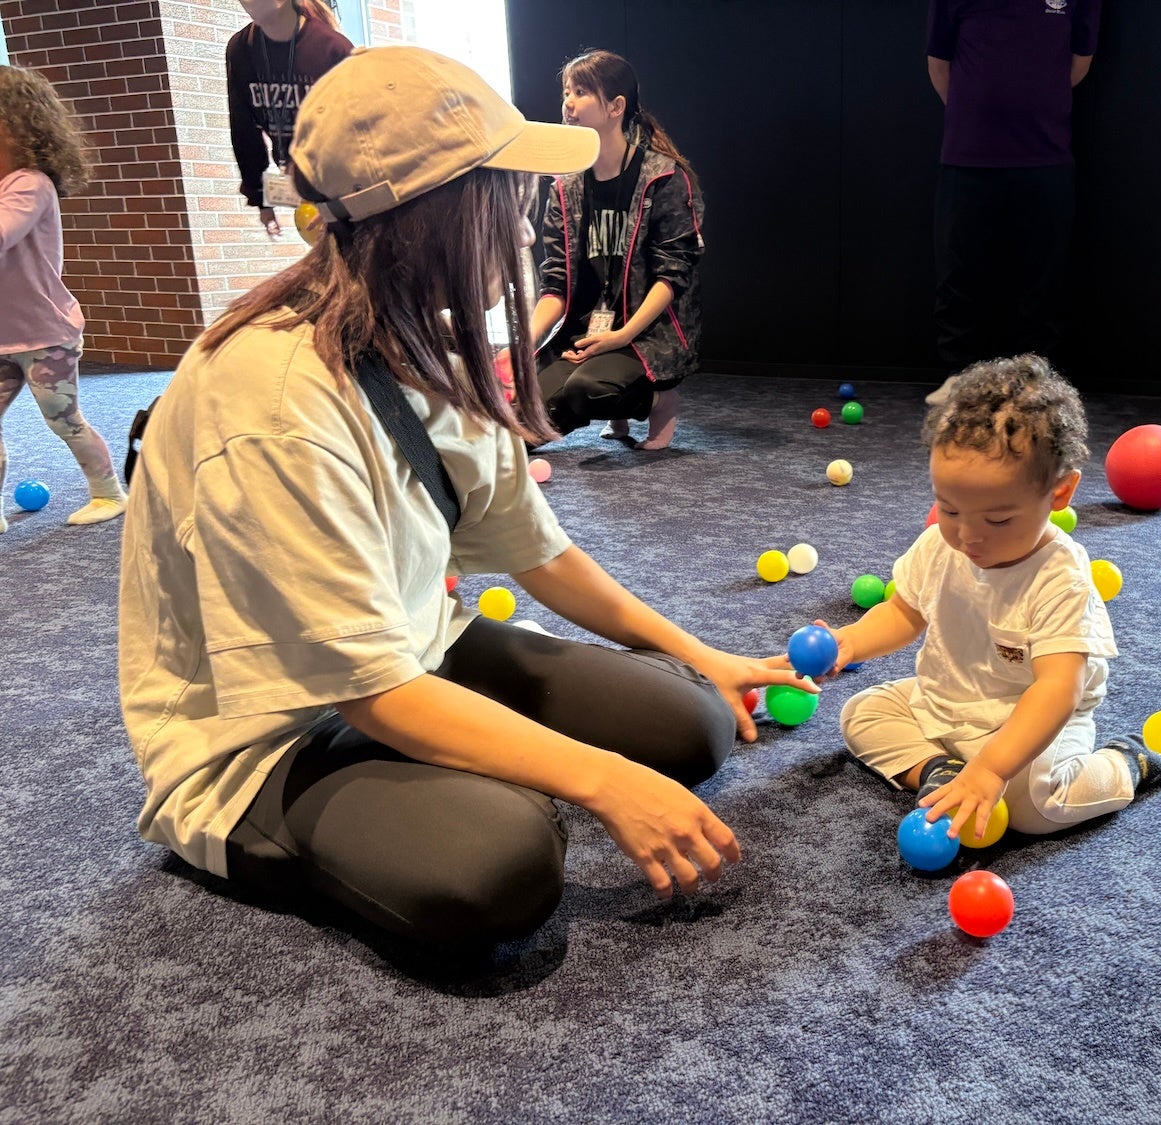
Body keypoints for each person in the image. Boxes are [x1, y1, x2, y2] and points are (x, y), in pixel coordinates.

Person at [118, 47, 811, 951]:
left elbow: (540, 552)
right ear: (436, 215)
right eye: (506, 200)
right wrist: (598, 778)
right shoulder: (272, 403)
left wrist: (701, 653)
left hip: (412, 653)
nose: (524, 228)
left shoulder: (429, 345)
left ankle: (473, 760)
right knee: (501, 865)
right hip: (265, 739)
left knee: (694, 726)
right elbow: (368, 693)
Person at [826, 355, 1161, 841]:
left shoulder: (1061, 579)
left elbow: (1058, 690)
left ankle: (1125, 764)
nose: (967, 536)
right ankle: (940, 770)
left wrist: (991, 768)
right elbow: (904, 612)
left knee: (1035, 807)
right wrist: (850, 641)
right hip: (945, 699)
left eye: (998, 520)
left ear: (1060, 492)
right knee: (861, 713)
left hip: (1029, 722)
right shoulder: (938, 546)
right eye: (949, 510)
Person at [924, 0, 1099, 406]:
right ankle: (960, 377)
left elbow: (1078, 64)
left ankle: (1035, 382)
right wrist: (977, 117)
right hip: (967, 155)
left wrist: (1033, 106)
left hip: (1045, 154)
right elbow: (938, 64)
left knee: (1044, 276)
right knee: (959, 271)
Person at [530, 49, 704, 450]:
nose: (568, 103)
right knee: (523, 410)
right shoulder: (566, 186)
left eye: (580, 92)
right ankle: (611, 399)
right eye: (566, 92)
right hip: (585, 331)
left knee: (586, 393)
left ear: (616, 106)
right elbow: (555, 282)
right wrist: (526, 343)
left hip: (647, 334)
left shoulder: (662, 178)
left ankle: (660, 402)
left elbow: (672, 275)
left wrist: (621, 334)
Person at [0, 66, 127, 532]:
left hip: (45, 335)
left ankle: (108, 493)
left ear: (17, 128)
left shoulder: (29, 183)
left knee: (63, 418)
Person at [227, 0, 352, 240]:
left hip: (343, 190)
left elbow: (358, 133)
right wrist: (261, 200)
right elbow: (243, 130)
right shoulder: (241, 50)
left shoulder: (333, 49)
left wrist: (341, 204)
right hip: (300, 190)